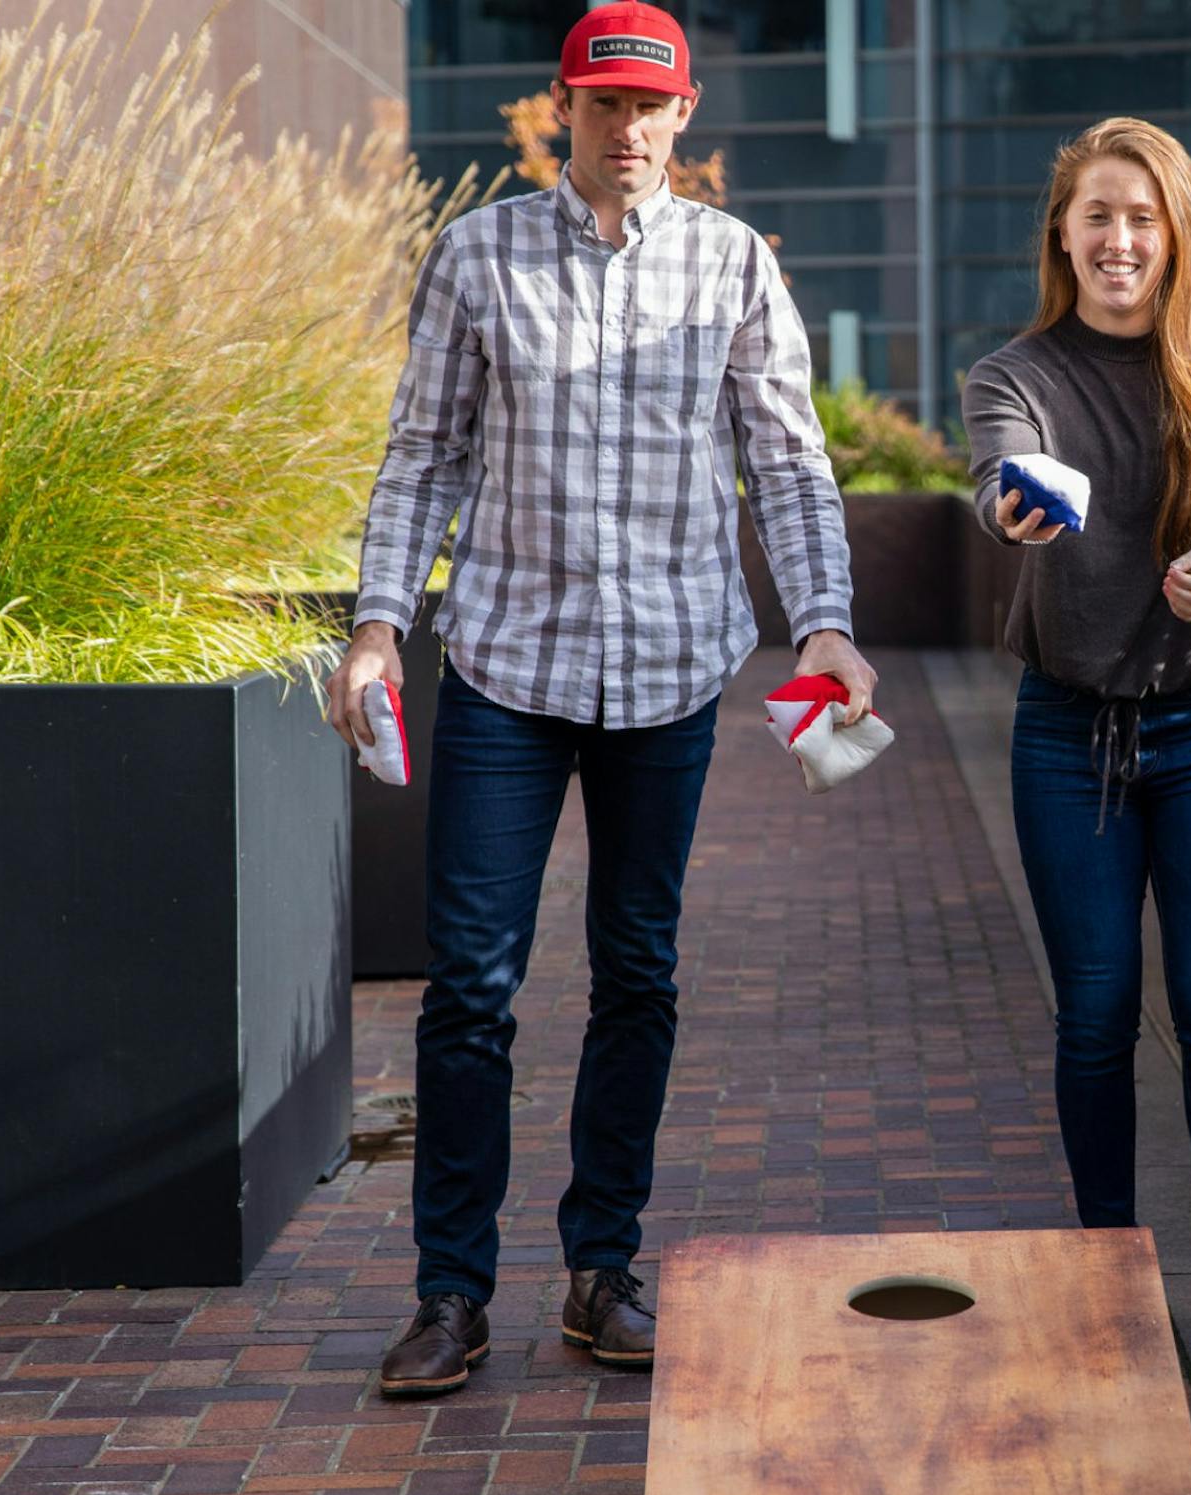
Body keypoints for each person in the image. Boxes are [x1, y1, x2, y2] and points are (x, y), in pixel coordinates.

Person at [325, 2, 876, 1398]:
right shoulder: (477, 255)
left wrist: (827, 624)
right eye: (604, 105)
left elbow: (791, 465)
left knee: (638, 974)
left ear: (686, 116)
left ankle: (601, 1269)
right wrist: (380, 626)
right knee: (471, 990)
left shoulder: (734, 264)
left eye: (651, 108)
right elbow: (421, 457)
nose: (628, 130)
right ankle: (450, 1294)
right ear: (563, 108)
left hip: (671, 674)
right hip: (511, 668)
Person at [963, 117, 1191, 1376]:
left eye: (1142, 217)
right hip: (1068, 737)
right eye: (1097, 216)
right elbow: (1000, 480)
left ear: (1176, 234)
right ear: (1063, 233)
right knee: (1096, 1013)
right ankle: (1106, 1278)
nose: (1119, 239)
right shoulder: (1016, 373)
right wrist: (1020, 503)